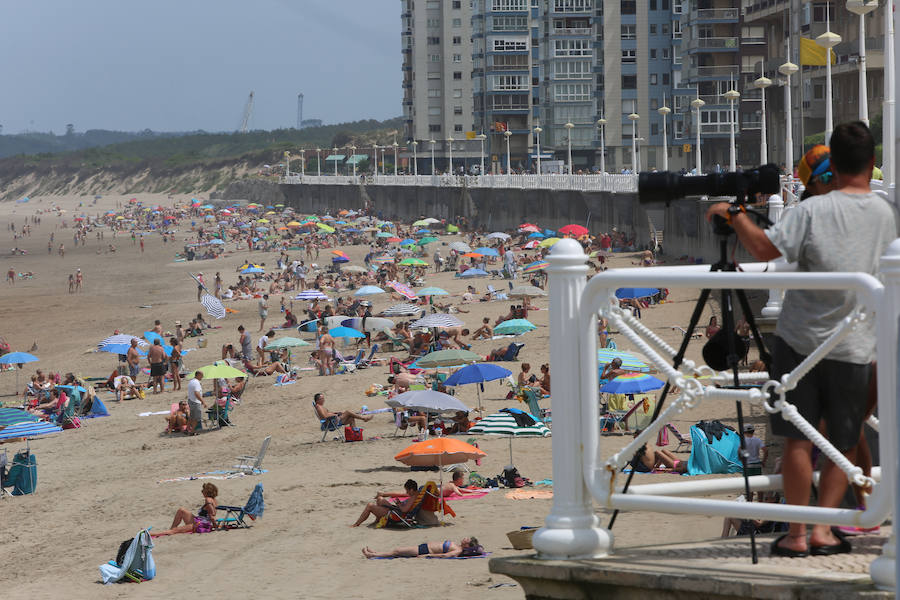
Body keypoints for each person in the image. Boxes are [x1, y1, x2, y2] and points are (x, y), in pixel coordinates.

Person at [705, 124, 897, 557]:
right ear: (870, 163)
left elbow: (765, 250)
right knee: (841, 443)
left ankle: (795, 534)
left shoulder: (811, 212)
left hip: (798, 341)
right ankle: (825, 532)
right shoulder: (885, 215)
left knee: (797, 440)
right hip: (852, 343)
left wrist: (733, 214)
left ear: (832, 166)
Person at [151, 483, 218, 537]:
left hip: (200, 524)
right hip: (199, 521)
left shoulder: (208, 499)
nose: (202, 492)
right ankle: (171, 529)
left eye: (203, 490)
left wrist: (215, 526)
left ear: (207, 491)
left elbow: (212, 514)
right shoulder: (214, 500)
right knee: (181, 510)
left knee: (175, 531)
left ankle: (152, 534)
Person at [352, 479, 419, 527]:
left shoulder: (413, 498)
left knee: (370, 506)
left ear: (411, 490)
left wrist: (398, 504)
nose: (407, 493)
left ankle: (356, 524)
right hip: (397, 511)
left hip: (396, 515)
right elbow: (403, 500)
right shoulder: (415, 494)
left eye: (407, 491)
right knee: (380, 499)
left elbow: (404, 510)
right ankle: (378, 519)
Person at [362, 537, 482, 559]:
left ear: (468, 545)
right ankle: (376, 552)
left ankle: (372, 555)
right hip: (424, 547)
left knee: (397, 551)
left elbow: (445, 555)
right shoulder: (458, 545)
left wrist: (428, 555)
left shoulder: (458, 550)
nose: (465, 538)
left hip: (425, 551)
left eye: (467, 539)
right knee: (398, 551)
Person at [186, 370, 207, 434]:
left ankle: (187, 429)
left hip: (191, 400)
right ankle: (192, 431)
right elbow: (197, 393)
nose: (202, 377)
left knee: (191, 416)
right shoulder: (196, 383)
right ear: (198, 375)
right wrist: (203, 401)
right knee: (196, 418)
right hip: (195, 402)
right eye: (202, 376)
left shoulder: (191, 381)